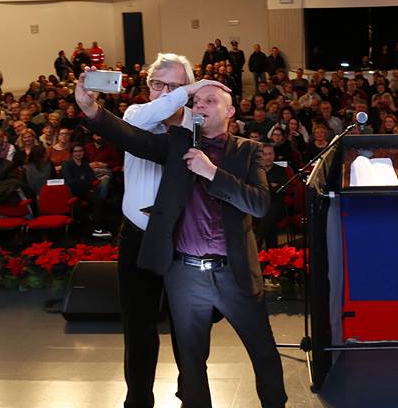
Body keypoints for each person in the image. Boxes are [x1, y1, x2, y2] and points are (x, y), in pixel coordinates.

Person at [75, 70, 287, 408]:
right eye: (197, 101)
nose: (200, 106)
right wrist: (92, 110)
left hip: (234, 271)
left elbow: (260, 204)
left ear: (231, 111)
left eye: (211, 100)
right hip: (185, 276)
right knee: (191, 363)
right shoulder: (178, 143)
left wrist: (211, 172)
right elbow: (132, 138)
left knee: (262, 352)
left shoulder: (248, 150)